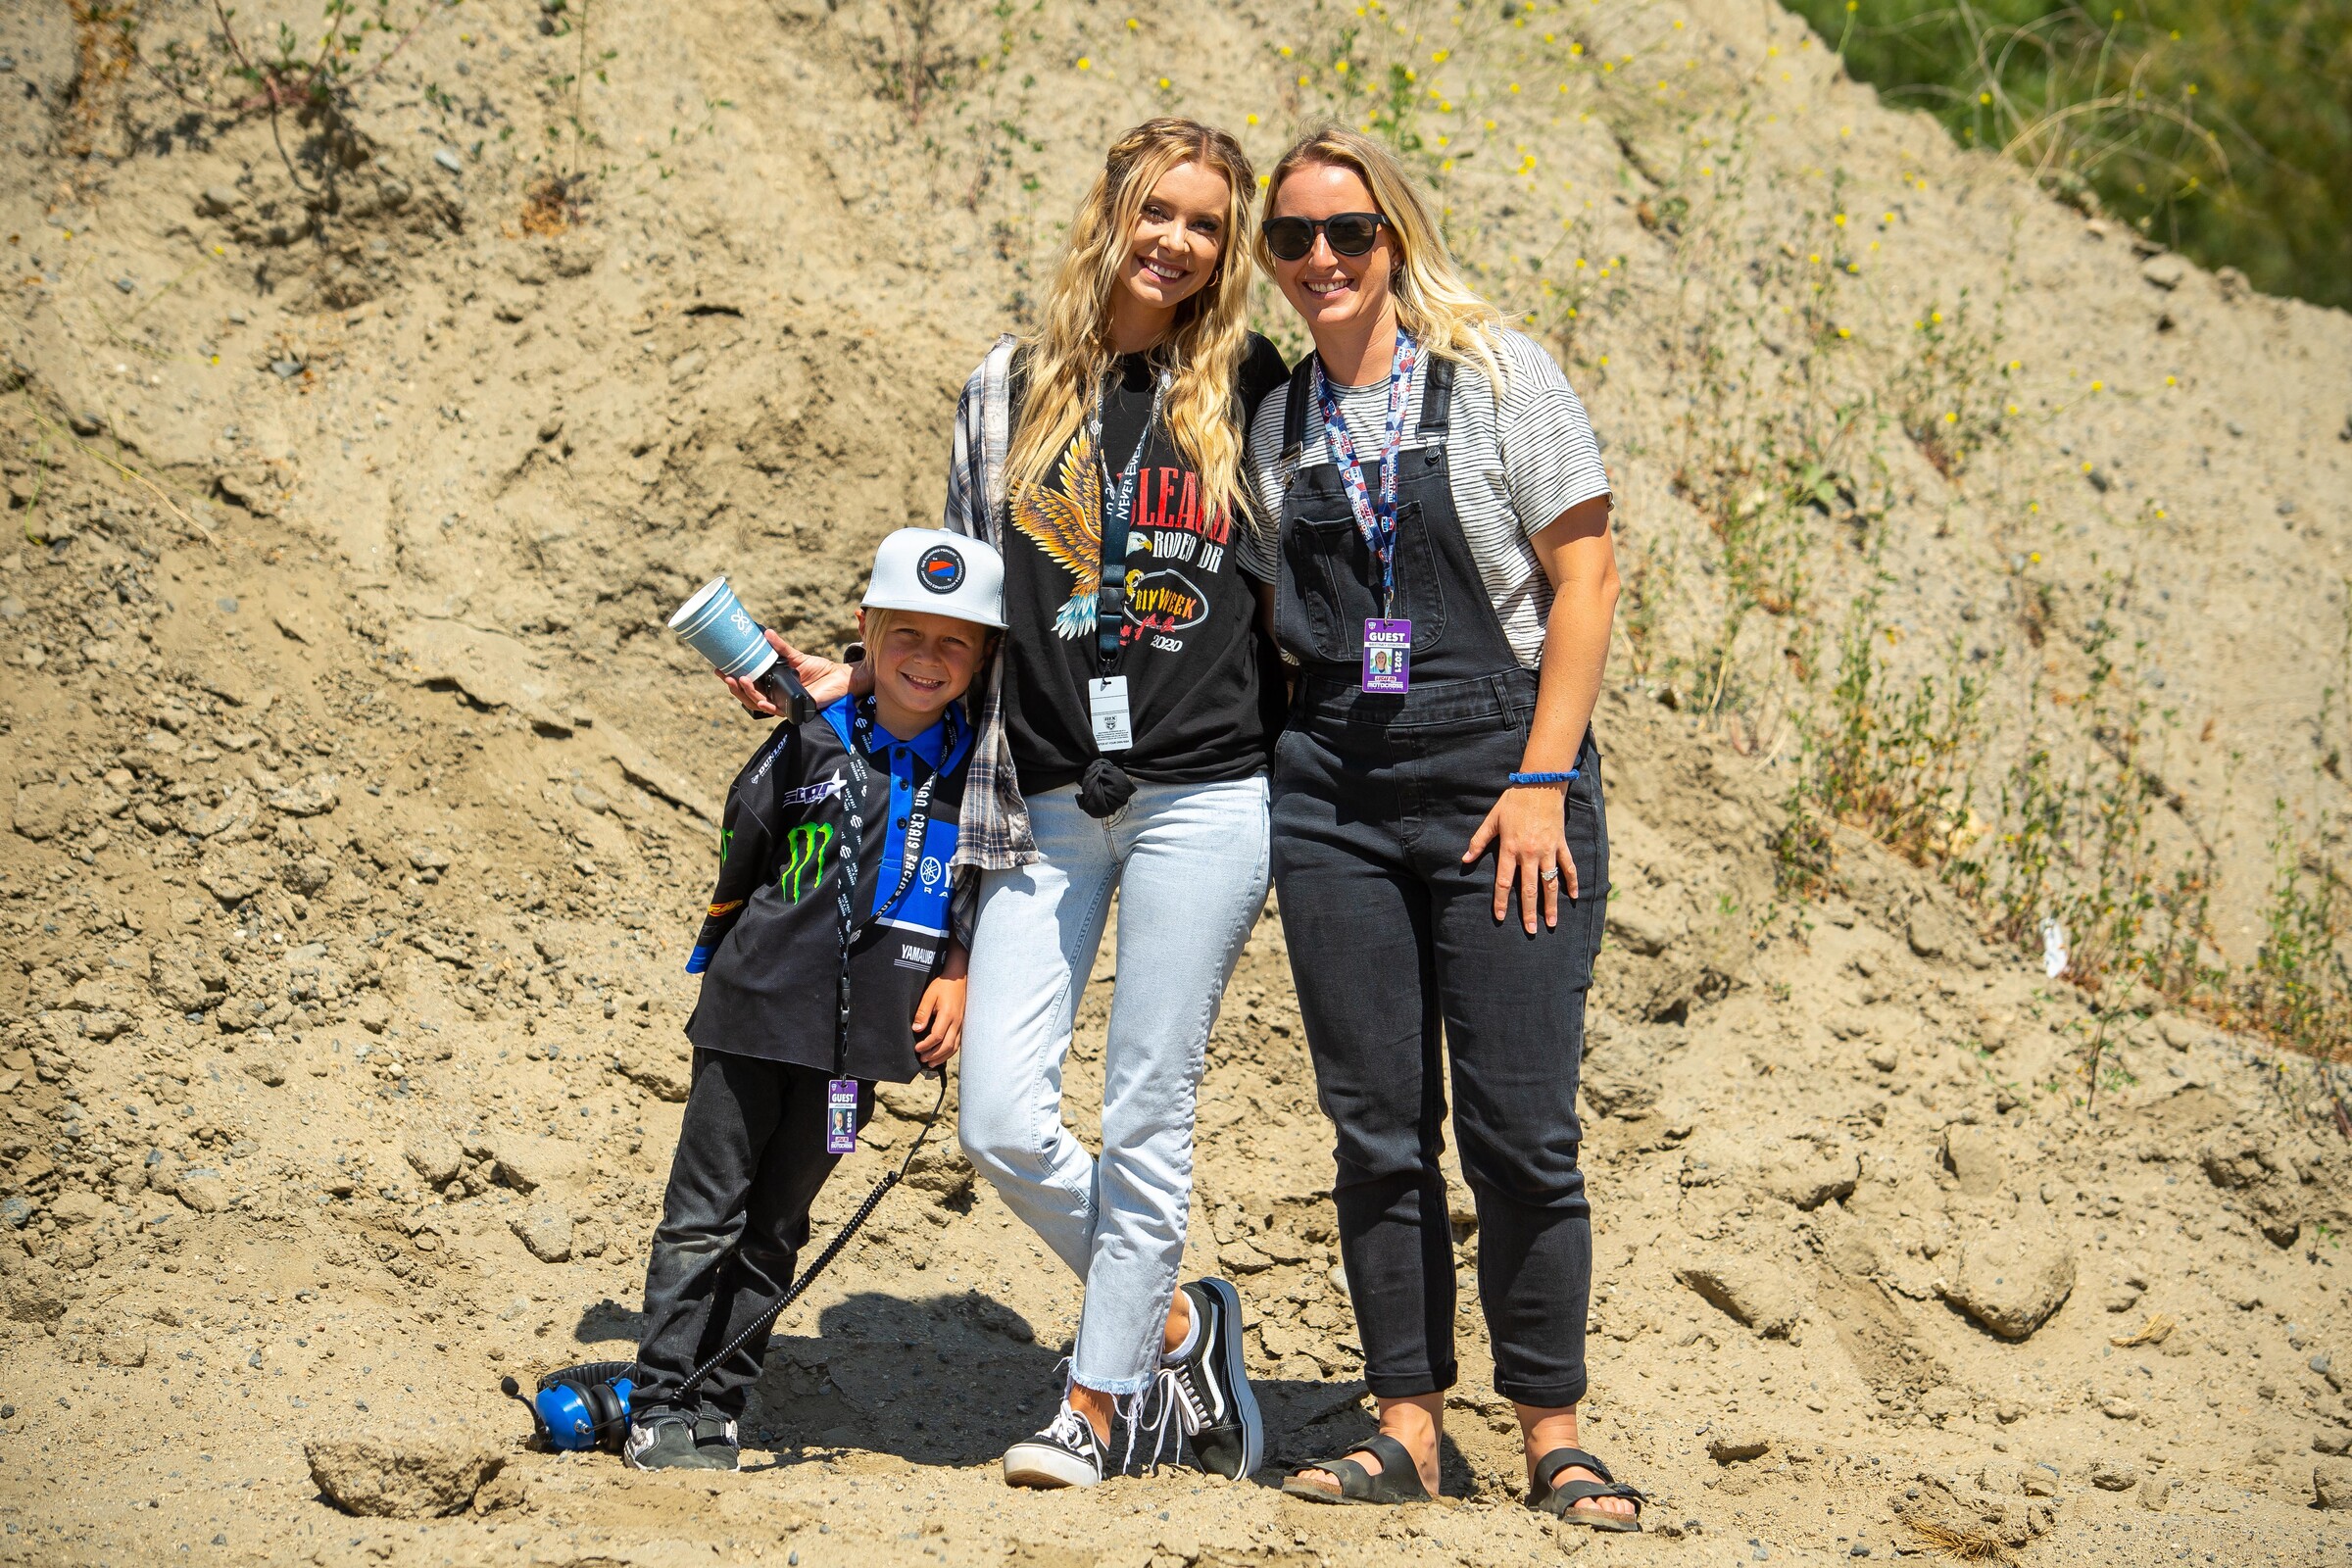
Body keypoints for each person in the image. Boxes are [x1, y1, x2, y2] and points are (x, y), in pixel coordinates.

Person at [719, 119, 1287, 1489]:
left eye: (1207, 224)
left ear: (1229, 250)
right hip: (1041, 794)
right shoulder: (1008, 386)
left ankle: (1094, 1409)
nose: (1177, 242)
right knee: (998, 1118)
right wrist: (857, 678)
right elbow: (961, 615)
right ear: (1111, 209)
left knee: (1151, 1108)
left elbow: (1309, 599)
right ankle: (1169, 1321)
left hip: (1204, 795)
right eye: (1158, 210)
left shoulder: (1255, 388)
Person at [1240, 125, 1643, 1530]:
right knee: (1377, 1129)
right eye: (1290, 238)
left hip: (1503, 785)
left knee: (1524, 1129)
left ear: (1394, 236)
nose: (1321, 261)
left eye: (1347, 232)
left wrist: (1540, 783)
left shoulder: (1498, 377)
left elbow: (1583, 580)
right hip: (1336, 797)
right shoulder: (1275, 424)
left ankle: (1554, 1431)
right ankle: (1406, 1423)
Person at [624, 528, 1003, 1472]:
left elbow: (987, 884)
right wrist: (730, 961)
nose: (927, 658)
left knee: (780, 1224)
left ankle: (721, 1403)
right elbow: (742, 850)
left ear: (987, 656)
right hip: (755, 1011)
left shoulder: (982, 768)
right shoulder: (807, 738)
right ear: (864, 633)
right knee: (706, 1213)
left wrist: (955, 966)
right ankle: (660, 1401)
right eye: (905, 634)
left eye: (955, 642)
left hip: (865, 1038)